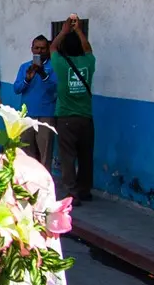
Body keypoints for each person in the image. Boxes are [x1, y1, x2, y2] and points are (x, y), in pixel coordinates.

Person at [50, 15, 95, 201]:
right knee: (86, 156)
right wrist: (78, 30)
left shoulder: (60, 64)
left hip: (65, 117)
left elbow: (52, 48)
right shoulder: (88, 63)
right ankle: (85, 190)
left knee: (67, 156)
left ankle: (71, 192)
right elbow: (88, 49)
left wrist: (63, 31)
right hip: (86, 117)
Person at [13, 35, 58, 168]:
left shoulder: (54, 66)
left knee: (45, 154)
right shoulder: (25, 67)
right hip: (27, 115)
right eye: (37, 48)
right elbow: (17, 89)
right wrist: (27, 79)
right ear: (32, 49)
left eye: (43, 48)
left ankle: (44, 180)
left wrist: (43, 74)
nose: (39, 51)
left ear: (48, 49)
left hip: (46, 115)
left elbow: (56, 89)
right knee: (26, 153)